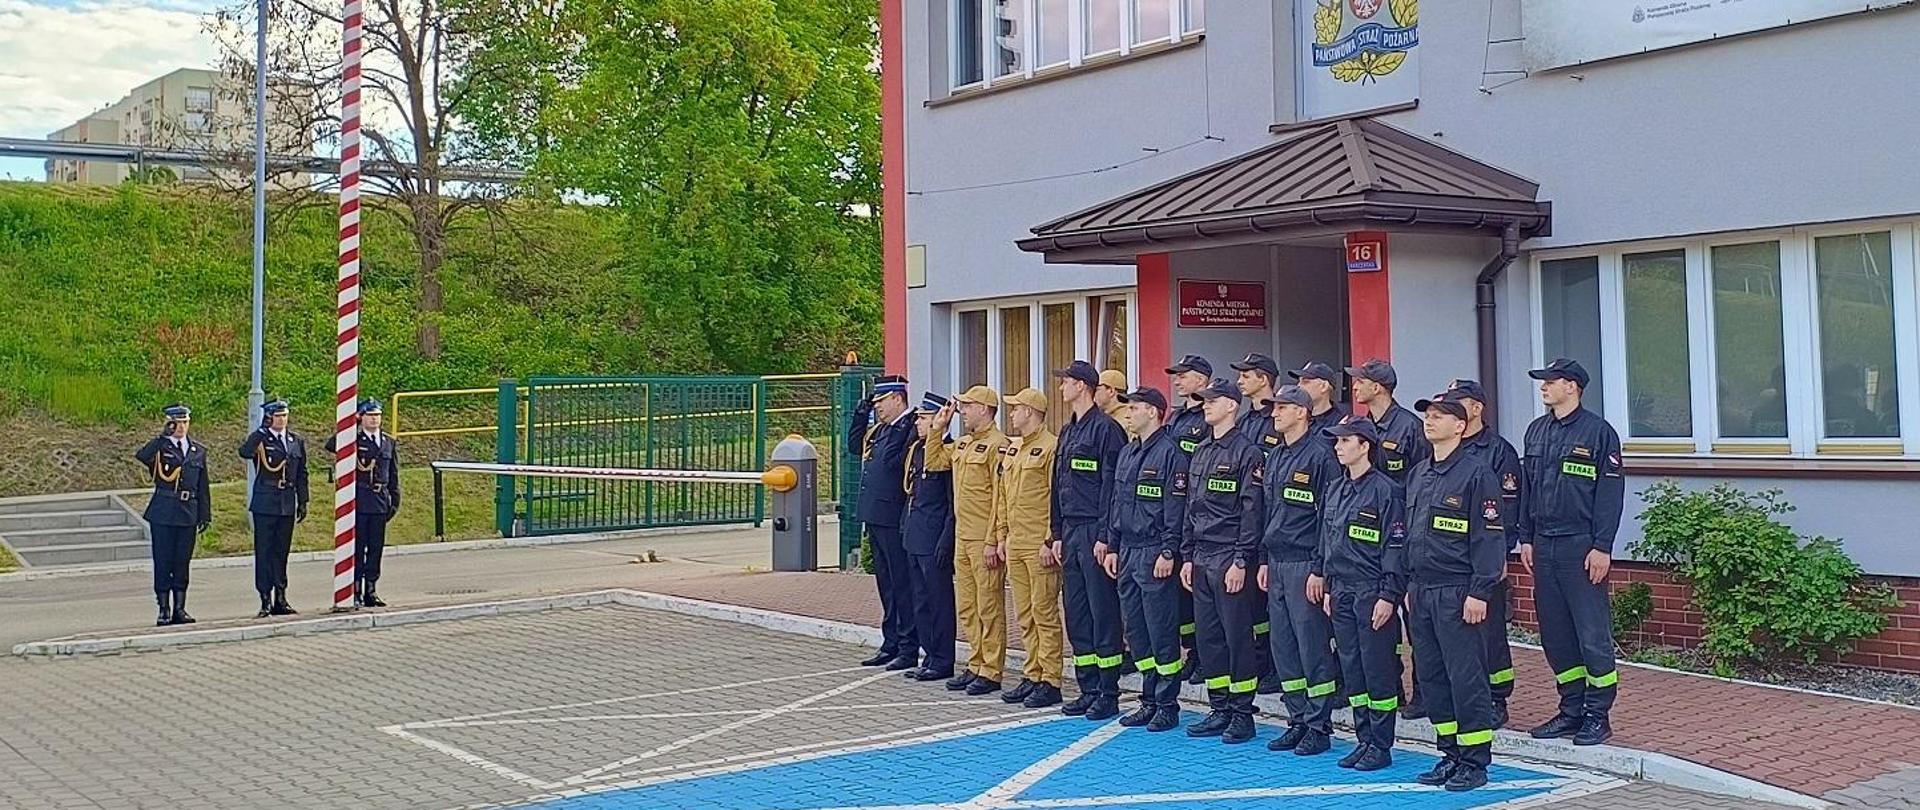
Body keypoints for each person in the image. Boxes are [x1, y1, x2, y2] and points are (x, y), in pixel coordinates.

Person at [1403, 390, 1508, 792]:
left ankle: (1475, 761)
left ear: (1460, 426)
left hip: (1458, 590)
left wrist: (1480, 591)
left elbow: (1488, 538)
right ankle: (1449, 753)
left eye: (1439, 415)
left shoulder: (1477, 474)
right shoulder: (1419, 474)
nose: (1430, 421)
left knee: (1466, 678)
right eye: (1427, 414)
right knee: (1432, 678)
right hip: (1423, 590)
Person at [1517, 358, 1625, 747]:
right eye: (1543, 382)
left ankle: (1598, 714)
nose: (1543, 387)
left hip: (1581, 544)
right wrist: (1525, 537)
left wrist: (1602, 546)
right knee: (1556, 633)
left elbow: (1609, 495)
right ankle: (1570, 710)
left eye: (1551, 381)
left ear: (1573, 386)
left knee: (1590, 632)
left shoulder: (1599, 433)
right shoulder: (1536, 431)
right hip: (1543, 543)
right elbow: (1527, 489)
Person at [1257, 385, 1342, 757]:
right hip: (1276, 561)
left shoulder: (1321, 457)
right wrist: (1262, 559)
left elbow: (1330, 518)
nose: (1275, 414)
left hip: (1305, 562)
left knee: (1312, 647)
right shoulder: (1275, 456)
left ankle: (1319, 725)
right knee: (1284, 646)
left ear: (1302, 412)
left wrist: (1320, 568)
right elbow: (1266, 511)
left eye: (1282, 408)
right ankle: (1298, 719)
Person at [1180, 378, 1265, 745]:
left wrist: (1241, 560)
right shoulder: (1201, 451)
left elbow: (1251, 512)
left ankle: (1242, 713)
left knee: (1236, 637)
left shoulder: (1248, 453)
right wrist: (1186, 555)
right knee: (1210, 637)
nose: (1205, 406)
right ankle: (1219, 707)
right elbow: (1190, 507)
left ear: (1232, 405)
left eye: (1212, 401)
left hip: (1229, 555)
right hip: (1200, 556)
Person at [1315, 416, 1403, 772]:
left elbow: (1395, 547)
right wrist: (1325, 581)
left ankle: (1381, 745)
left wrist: (1388, 595)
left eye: (1344, 441)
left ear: (1365, 446)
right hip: (1341, 591)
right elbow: (1327, 540)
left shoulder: (1386, 491)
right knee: (1352, 670)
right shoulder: (1335, 489)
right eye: (1336, 441)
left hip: (1371, 591)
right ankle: (1364, 738)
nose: (1337, 447)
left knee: (1376, 669)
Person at [1105, 386, 1187, 732]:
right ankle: (1148, 699)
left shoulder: (1171, 455)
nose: (1129, 413)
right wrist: (1112, 546)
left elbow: (1176, 509)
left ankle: (1167, 703)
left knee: (1161, 630)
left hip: (1154, 552)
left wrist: (1169, 551)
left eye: (1135, 407)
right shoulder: (1128, 452)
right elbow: (1117, 503)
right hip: (1128, 551)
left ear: (1153, 412)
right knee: (1137, 632)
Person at [1050, 360, 1129, 720]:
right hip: (1070, 531)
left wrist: (1105, 536)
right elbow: (1057, 485)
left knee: (1102, 613)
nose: (1061, 387)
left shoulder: (1107, 430)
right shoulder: (1067, 432)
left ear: (1082, 386)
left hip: (1094, 532)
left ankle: (1108, 691)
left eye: (1065, 382)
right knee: (1077, 613)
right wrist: (1055, 533)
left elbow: (1112, 488)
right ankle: (1088, 687)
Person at [1447, 379, 1524, 728]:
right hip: (1451, 561)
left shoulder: (1498, 451)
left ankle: (1497, 698)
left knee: (1490, 632)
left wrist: (1501, 557)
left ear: (1476, 408)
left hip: (1485, 560)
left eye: (1458, 402)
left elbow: (1505, 510)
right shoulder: (1447, 448)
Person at [996, 387, 1066, 709]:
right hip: (1016, 542)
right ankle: (1033, 672)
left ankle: (1050, 679)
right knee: (1024, 614)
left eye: (1016, 408)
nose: (1011, 414)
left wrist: (1050, 540)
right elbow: (1004, 497)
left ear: (1031, 412)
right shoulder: (1015, 450)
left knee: (1044, 613)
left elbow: (1057, 498)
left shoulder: (1051, 448)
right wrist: (1001, 536)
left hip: (1039, 543)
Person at [848, 374, 920, 670]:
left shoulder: (908, 427)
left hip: (893, 517)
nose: (877, 407)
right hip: (875, 516)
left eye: (881, 402)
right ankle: (890, 642)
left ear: (897, 398)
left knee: (902, 585)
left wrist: (903, 423)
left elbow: (894, 464)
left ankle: (907, 646)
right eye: (874, 402)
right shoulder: (879, 430)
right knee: (886, 585)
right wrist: (861, 410)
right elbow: (854, 445)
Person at [945, 386, 1011, 696]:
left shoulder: (998, 446)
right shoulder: (963, 444)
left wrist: (992, 540)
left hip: (982, 537)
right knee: (968, 606)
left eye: (968, 406)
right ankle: (975, 662)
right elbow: (933, 462)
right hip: (962, 535)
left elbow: (1000, 497)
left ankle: (991, 670)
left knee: (989, 605)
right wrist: (937, 429)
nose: (963, 411)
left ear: (985, 408)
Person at [1229, 352, 1283, 691]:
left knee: (1272, 606)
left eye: (1246, 376)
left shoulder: (1275, 420)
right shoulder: (1247, 421)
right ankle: (1261, 663)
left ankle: (1275, 667)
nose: (1240, 381)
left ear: (1263, 378)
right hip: (1247, 521)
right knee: (1253, 603)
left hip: (1272, 519)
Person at [135, 404, 211, 626]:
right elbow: (142, 456)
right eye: (177, 423)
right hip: (164, 511)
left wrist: (204, 514)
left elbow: (202, 485)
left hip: (188, 512)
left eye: (185, 422)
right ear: (170, 423)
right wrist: (162, 437)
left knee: (182, 562)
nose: (182, 427)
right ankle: (164, 608)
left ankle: (180, 608)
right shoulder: (160, 448)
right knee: (163, 560)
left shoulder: (197, 450)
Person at [1164, 354, 1213, 682]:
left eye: (1184, 376)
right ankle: (1190, 650)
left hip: (1199, 513)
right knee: (1182, 596)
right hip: (1176, 514)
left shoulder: (1208, 417)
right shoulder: (1177, 417)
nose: (1178, 381)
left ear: (1202, 379)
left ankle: (1201, 655)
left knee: (1200, 594)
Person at [902, 393, 958, 683]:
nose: (918, 422)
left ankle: (943, 659)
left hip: (935, 537)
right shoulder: (918, 450)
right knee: (921, 601)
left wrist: (946, 541)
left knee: (938, 602)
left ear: (939, 418)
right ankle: (929, 655)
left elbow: (952, 503)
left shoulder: (948, 451)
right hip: (916, 535)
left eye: (924, 418)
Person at [241, 398, 310, 618]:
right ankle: (265, 598)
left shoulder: (295, 441)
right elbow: (244, 452)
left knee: (281, 552)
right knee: (265, 551)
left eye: (284, 415)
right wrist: (261, 431)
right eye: (277, 416)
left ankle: (281, 596)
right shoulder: (261, 439)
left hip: (287, 502)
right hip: (265, 501)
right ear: (269, 417)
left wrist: (303, 500)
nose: (282, 420)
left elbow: (302, 473)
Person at [1349, 358, 1429, 484]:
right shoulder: (1362, 426)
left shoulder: (1411, 427)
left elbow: (1423, 476)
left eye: (1360, 382)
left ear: (1376, 388)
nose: (1355, 387)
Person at [1288, 361, 1349, 434]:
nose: (1298, 386)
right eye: (1299, 381)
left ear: (1324, 386)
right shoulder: (1293, 417)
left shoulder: (1341, 422)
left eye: (1305, 382)